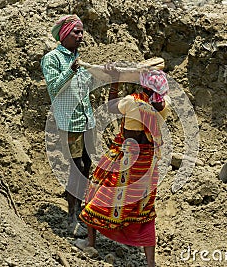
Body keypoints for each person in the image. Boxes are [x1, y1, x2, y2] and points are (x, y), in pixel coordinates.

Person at [75, 66, 170, 267]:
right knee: (144, 210)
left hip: (126, 161)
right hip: (147, 164)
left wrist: (115, 79)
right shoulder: (165, 104)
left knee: (96, 193)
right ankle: (150, 262)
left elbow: (110, 107)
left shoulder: (132, 101)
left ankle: (90, 243)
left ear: (142, 85)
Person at [41, 14, 95, 237]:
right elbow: (54, 88)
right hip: (69, 123)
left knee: (88, 165)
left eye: (82, 32)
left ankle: (80, 210)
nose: (81, 36)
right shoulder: (52, 58)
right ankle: (71, 216)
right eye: (76, 32)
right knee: (77, 167)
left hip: (86, 120)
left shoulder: (78, 58)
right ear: (64, 34)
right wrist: (71, 70)